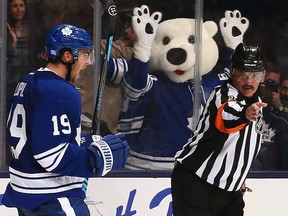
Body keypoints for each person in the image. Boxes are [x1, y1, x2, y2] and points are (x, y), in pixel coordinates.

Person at [2, 24, 129, 216]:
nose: (88, 62)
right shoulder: (60, 91)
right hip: (52, 196)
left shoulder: (29, 80)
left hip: (27, 195)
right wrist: (95, 158)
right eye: (85, 54)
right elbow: (50, 155)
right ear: (67, 56)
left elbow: (38, 136)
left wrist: (83, 143)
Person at [171, 43, 267, 216]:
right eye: (243, 74)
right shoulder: (222, 95)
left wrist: (238, 176)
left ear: (261, 77)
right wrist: (246, 114)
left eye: (254, 75)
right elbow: (227, 119)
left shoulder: (258, 101)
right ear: (233, 73)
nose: (248, 81)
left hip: (230, 192)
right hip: (196, 182)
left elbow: (245, 144)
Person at [251, 62, 288, 171]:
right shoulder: (249, 104)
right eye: (270, 84)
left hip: (273, 173)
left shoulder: (280, 114)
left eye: (275, 85)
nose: (272, 89)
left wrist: (279, 108)